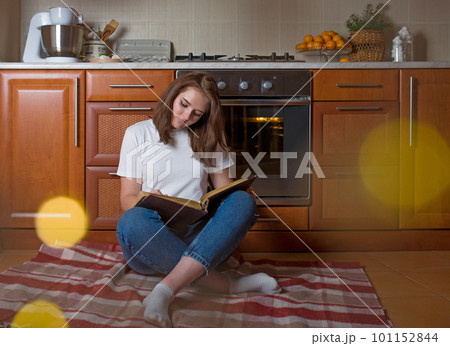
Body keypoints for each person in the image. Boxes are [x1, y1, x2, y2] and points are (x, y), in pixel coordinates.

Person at [116, 71, 281, 328]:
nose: (186, 117)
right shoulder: (138, 134)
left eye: (197, 114)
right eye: (184, 105)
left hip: (197, 237)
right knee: (131, 220)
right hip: (149, 240)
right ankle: (228, 284)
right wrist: (145, 199)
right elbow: (126, 197)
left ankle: (164, 290)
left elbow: (222, 192)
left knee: (241, 201)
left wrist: (237, 198)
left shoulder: (210, 139)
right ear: (173, 95)